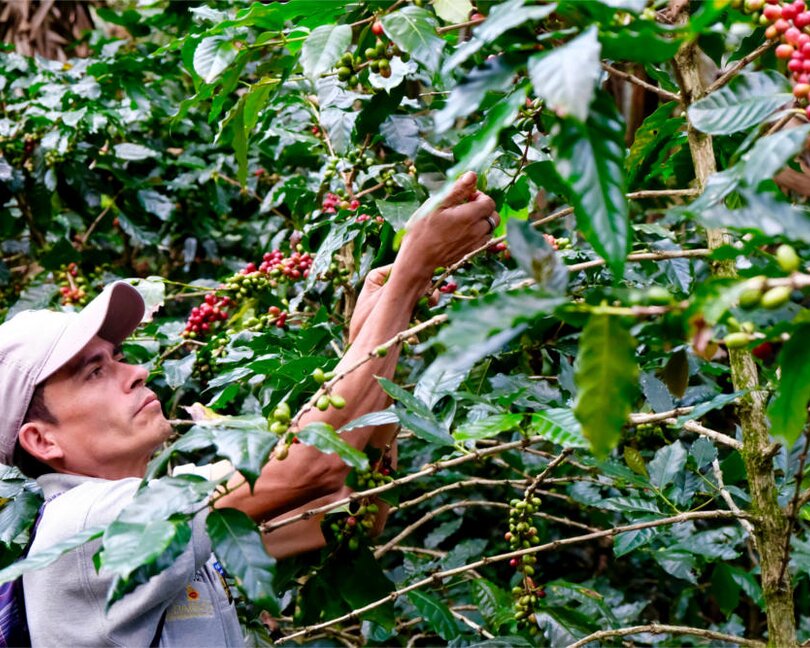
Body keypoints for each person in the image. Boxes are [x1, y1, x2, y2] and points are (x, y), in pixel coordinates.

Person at [0, 171, 499, 646]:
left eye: (120, 358)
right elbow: (311, 465)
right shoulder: (86, 526)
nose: (135, 373)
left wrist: (380, 332)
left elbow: (350, 512)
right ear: (44, 440)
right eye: (94, 372)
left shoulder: (173, 512)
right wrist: (410, 276)